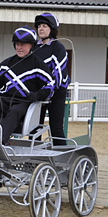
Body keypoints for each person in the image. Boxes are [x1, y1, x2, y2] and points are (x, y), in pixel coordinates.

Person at [0, 25, 55, 145]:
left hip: (24, 103)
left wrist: (36, 95)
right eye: (17, 44)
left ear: (31, 45)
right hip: (5, 100)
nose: (19, 47)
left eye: (23, 44)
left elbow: (50, 86)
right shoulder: (6, 63)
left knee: (15, 111)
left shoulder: (38, 65)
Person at [33, 13, 69, 145]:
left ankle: (62, 158)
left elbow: (58, 72)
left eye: (44, 26)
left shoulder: (58, 47)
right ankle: (33, 156)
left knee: (56, 128)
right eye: (38, 26)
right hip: (39, 93)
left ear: (52, 29)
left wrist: (49, 89)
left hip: (57, 92)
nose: (40, 29)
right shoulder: (34, 47)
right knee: (34, 127)